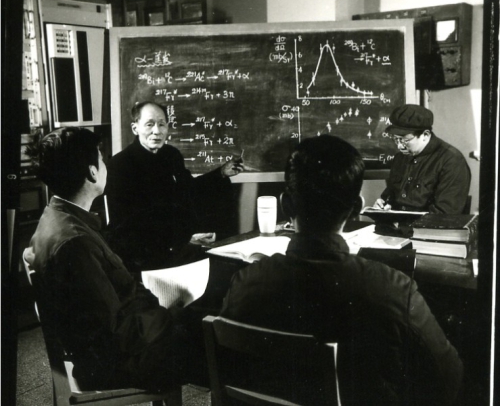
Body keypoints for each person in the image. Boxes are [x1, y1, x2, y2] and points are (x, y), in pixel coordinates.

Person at [220, 135, 463, 405]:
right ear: (357, 208)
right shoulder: (393, 289)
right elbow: (447, 380)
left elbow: (232, 369)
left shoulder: (245, 281)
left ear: (286, 205)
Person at [26, 127, 207, 391]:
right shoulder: (75, 242)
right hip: (116, 364)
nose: (105, 166)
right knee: (213, 338)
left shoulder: (57, 217)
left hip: (113, 343)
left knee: (200, 324)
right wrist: (168, 315)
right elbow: (115, 332)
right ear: (92, 172)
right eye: (101, 160)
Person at [104, 101, 244, 272]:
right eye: (149, 124)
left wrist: (221, 172)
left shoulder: (171, 155)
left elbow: (189, 189)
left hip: (179, 246)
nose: (157, 131)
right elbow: (130, 225)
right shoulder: (119, 165)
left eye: (162, 124)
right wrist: (183, 239)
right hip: (143, 256)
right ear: (135, 128)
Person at [374, 104, 471, 214]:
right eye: (396, 139)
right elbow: (390, 195)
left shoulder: (452, 161)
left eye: (405, 140)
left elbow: (445, 213)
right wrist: (383, 204)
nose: (399, 146)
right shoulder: (400, 158)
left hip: (429, 225)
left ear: (425, 135)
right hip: (397, 224)